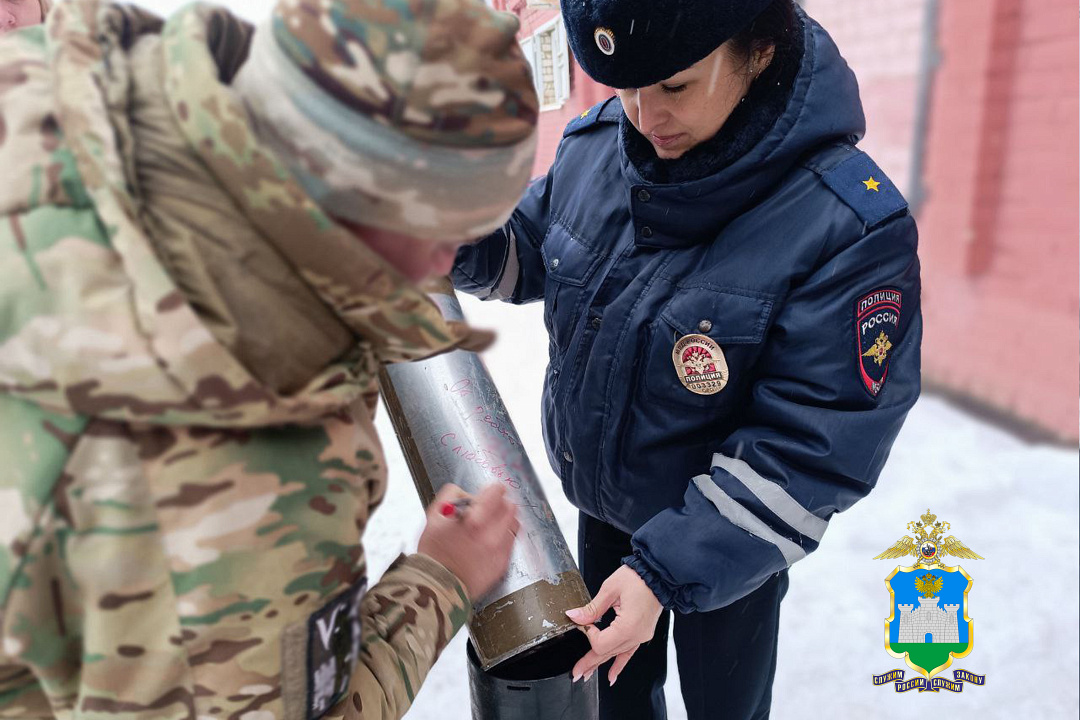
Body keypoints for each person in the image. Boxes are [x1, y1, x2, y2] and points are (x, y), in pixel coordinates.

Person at [0, 0, 537, 717]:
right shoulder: (265, 457)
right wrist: (443, 579)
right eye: (441, 232)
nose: (439, 269)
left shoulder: (57, 92)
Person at [453, 0, 922, 717]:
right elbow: (529, 250)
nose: (646, 116)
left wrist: (667, 571)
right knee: (613, 701)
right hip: (607, 507)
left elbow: (815, 442)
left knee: (724, 705)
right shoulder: (597, 150)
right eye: (626, 87)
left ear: (758, 49)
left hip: (729, 539)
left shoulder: (845, 226)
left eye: (674, 85)